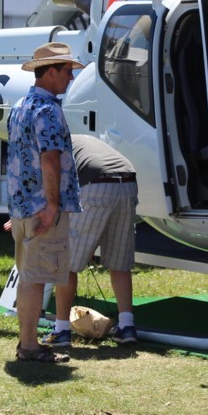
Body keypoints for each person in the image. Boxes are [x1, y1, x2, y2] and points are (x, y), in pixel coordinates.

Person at [6, 42, 84, 364]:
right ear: (51, 71)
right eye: (67, 71)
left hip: (22, 208)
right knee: (35, 279)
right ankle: (29, 347)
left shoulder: (20, 105)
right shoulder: (49, 110)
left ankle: (28, 344)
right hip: (42, 210)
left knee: (29, 276)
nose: (70, 78)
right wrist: (52, 206)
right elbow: (50, 160)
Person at [49, 135, 141, 347]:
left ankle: (61, 330)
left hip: (97, 183)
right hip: (127, 183)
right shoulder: (79, 139)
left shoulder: (50, 145)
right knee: (120, 262)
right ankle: (127, 326)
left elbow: (57, 190)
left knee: (67, 264)